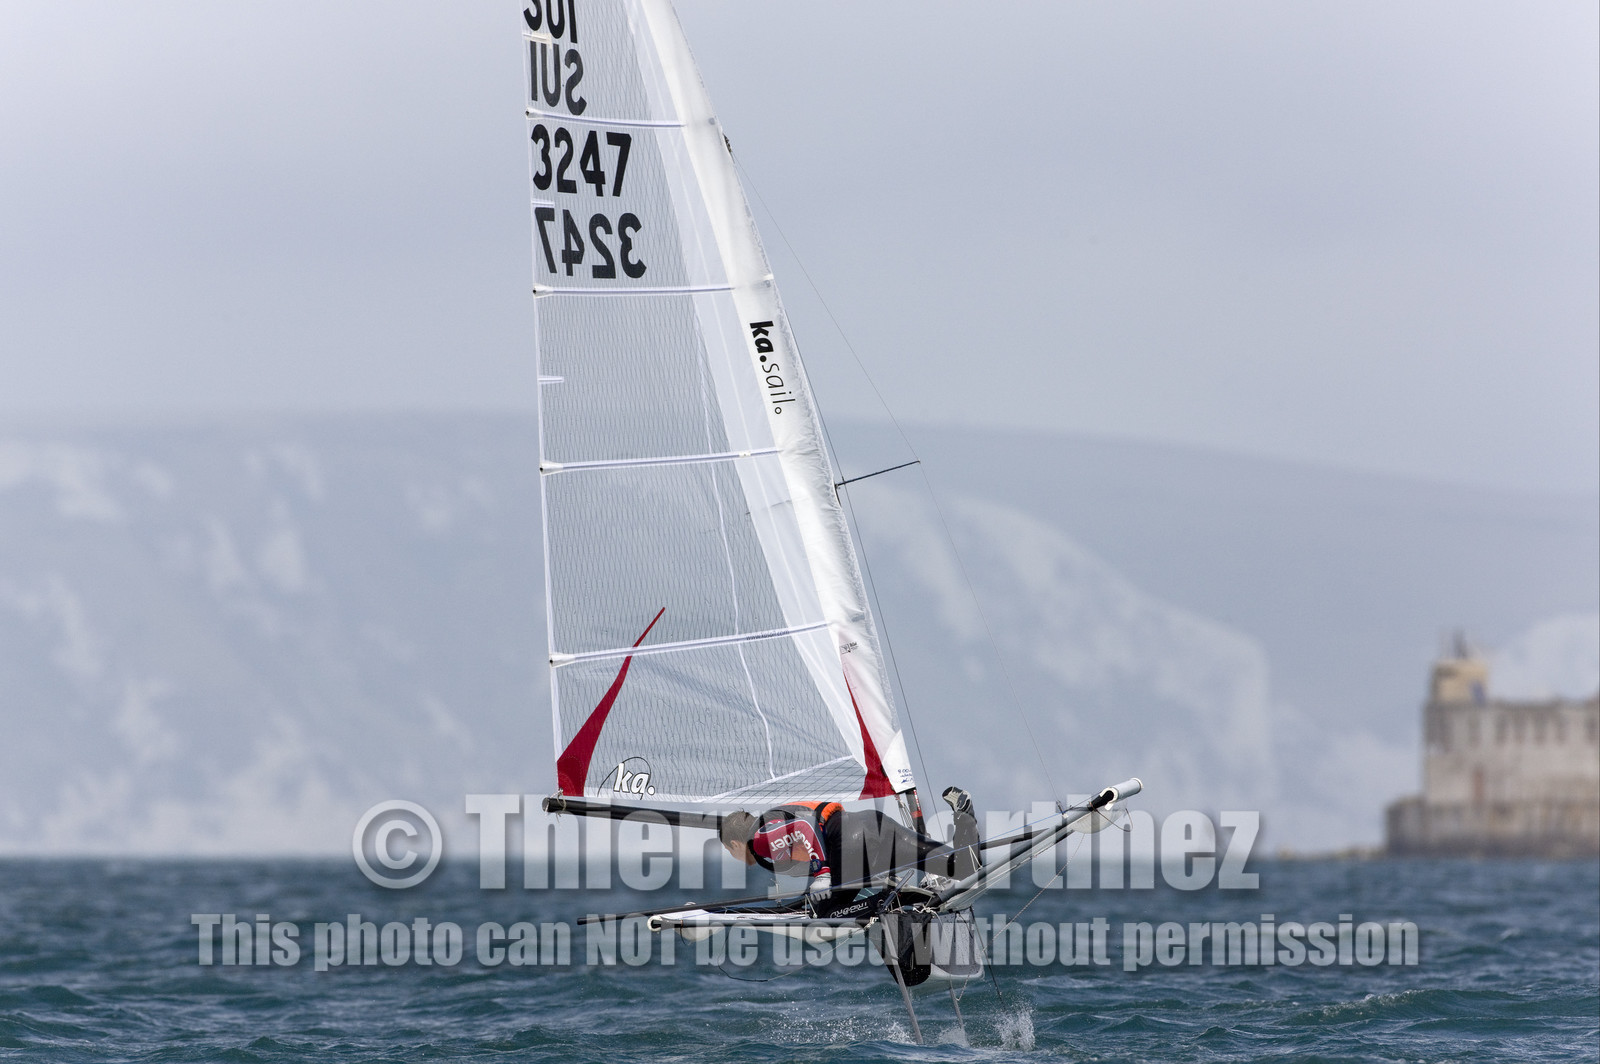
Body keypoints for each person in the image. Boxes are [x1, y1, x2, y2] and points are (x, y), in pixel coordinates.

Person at [718, 787, 981, 915]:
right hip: (874, 825)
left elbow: (804, 827)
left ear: (735, 844)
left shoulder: (759, 838)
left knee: (825, 915)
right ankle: (965, 817)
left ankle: (897, 899)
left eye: (730, 851)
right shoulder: (773, 823)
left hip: (851, 842)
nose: (734, 856)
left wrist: (822, 874)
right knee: (964, 868)